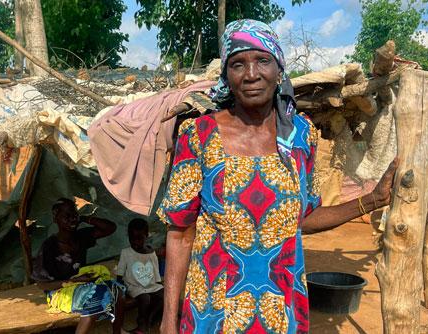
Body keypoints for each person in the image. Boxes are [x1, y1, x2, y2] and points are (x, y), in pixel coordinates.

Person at [157, 19, 398, 333]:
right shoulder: (199, 136)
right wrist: (167, 321)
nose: (251, 74)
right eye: (238, 64)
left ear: (279, 68)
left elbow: (303, 218)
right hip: (212, 313)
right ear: (226, 75)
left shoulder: (300, 136)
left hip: (279, 311)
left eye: (262, 60)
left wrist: (371, 201)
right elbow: (180, 233)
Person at [32, 198, 126, 334]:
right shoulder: (49, 246)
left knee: (118, 289)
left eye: (74, 215)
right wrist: (72, 281)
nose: (72, 219)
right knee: (98, 294)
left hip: (80, 285)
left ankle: (117, 332)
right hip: (59, 292)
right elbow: (42, 285)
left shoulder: (81, 237)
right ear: (55, 218)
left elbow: (110, 228)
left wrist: (83, 218)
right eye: (67, 216)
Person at [117, 218, 165, 334]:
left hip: (150, 284)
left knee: (164, 295)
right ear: (128, 236)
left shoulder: (151, 252)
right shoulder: (126, 252)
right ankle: (142, 322)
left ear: (146, 236)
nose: (136, 242)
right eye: (132, 239)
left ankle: (150, 319)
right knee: (145, 298)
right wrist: (120, 287)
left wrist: (158, 283)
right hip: (133, 286)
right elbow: (120, 272)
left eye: (139, 239)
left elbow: (155, 270)